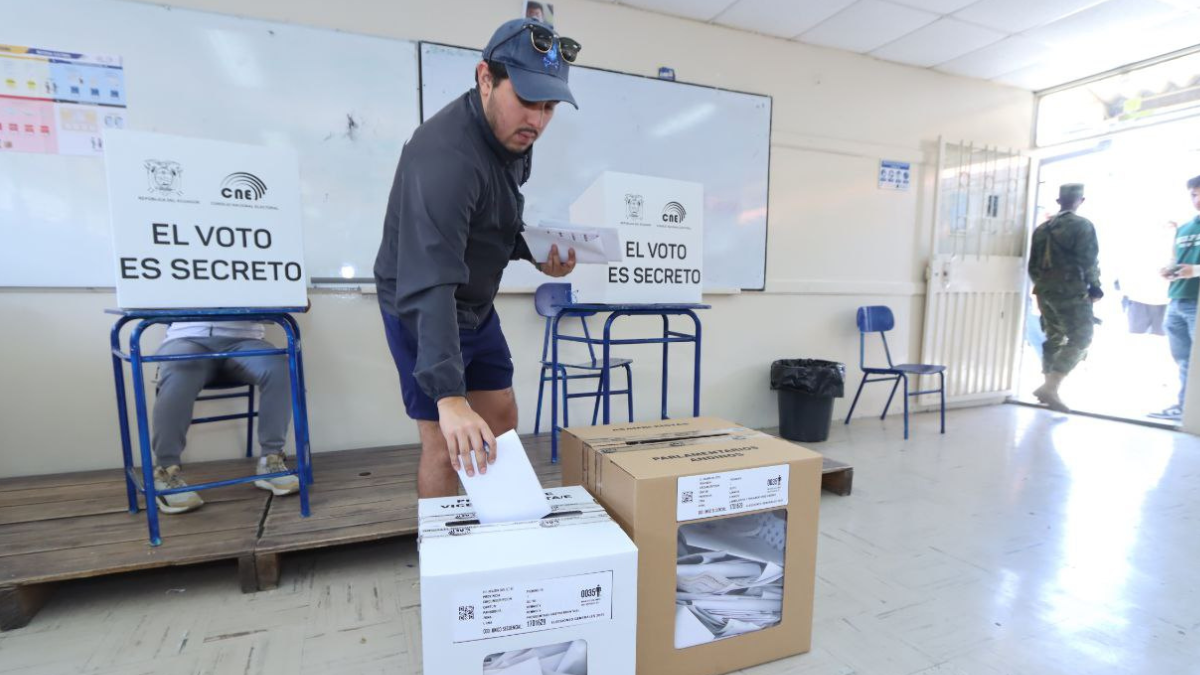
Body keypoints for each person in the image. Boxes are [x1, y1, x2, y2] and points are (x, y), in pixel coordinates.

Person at [373, 18, 582, 498]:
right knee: (448, 442)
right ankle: (447, 562)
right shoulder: (444, 158)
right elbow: (430, 281)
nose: (539, 120)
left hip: (474, 301)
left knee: (501, 416)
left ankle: (494, 530)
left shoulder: (513, 139)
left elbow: (489, 224)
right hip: (421, 303)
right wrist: (449, 397)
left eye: (550, 107)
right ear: (486, 78)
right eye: (528, 101)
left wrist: (533, 254)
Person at [150, 321, 300, 514]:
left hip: (246, 341)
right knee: (182, 368)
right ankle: (165, 471)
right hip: (187, 338)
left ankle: (271, 461)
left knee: (280, 367)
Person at [1028, 183, 1103, 413]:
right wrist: (1095, 286)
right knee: (1082, 338)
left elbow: (1033, 266)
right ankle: (1051, 387)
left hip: (1044, 291)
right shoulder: (1082, 226)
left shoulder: (1042, 229)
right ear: (1081, 200)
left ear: (1059, 201)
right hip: (1071, 291)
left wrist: (1043, 285)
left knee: (1054, 337)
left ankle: (1048, 387)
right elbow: (1088, 260)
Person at [1151, 175, 1200, 420]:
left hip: (1196, 302)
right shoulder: (1185, 227)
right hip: (1178, 299)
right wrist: (1169, 269)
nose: (1197, 199)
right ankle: (1185, 408)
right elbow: (1176, 259)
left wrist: (1195, 271)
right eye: (1193, 194)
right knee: (1184, 360)